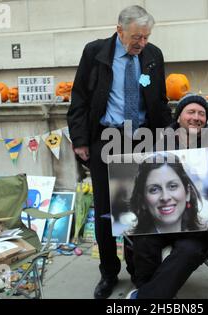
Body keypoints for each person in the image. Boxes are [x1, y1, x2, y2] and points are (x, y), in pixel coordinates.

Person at [67, 5, 172, 299]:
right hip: (106, 137)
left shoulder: (153, 56)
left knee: (139, 208)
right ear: (119, 30)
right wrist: (80, 140)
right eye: (137, 37)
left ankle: (139, 270)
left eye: (146, 37)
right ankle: (108, 272)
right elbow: (79, 98)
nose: (142, 43)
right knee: (105, 211)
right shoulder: (95, 52)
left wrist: (171, 137)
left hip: (141, 139)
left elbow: (159, 100)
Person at [128, 94, 208, 299]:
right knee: (143, 240)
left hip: (202, 227)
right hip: (161, 220)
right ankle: (150, 289)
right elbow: (138, 183)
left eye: (202, 113)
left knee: (188, 249)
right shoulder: (159, 144)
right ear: (179, 117)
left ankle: (144, 298)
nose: (197, 117)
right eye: (191, 112)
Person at [129, 152, 205, 235]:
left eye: (172, 186)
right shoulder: (124, 243)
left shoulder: (206, 238)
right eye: (154, 189)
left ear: (187, 193)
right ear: (143, 201)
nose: (165, 197)